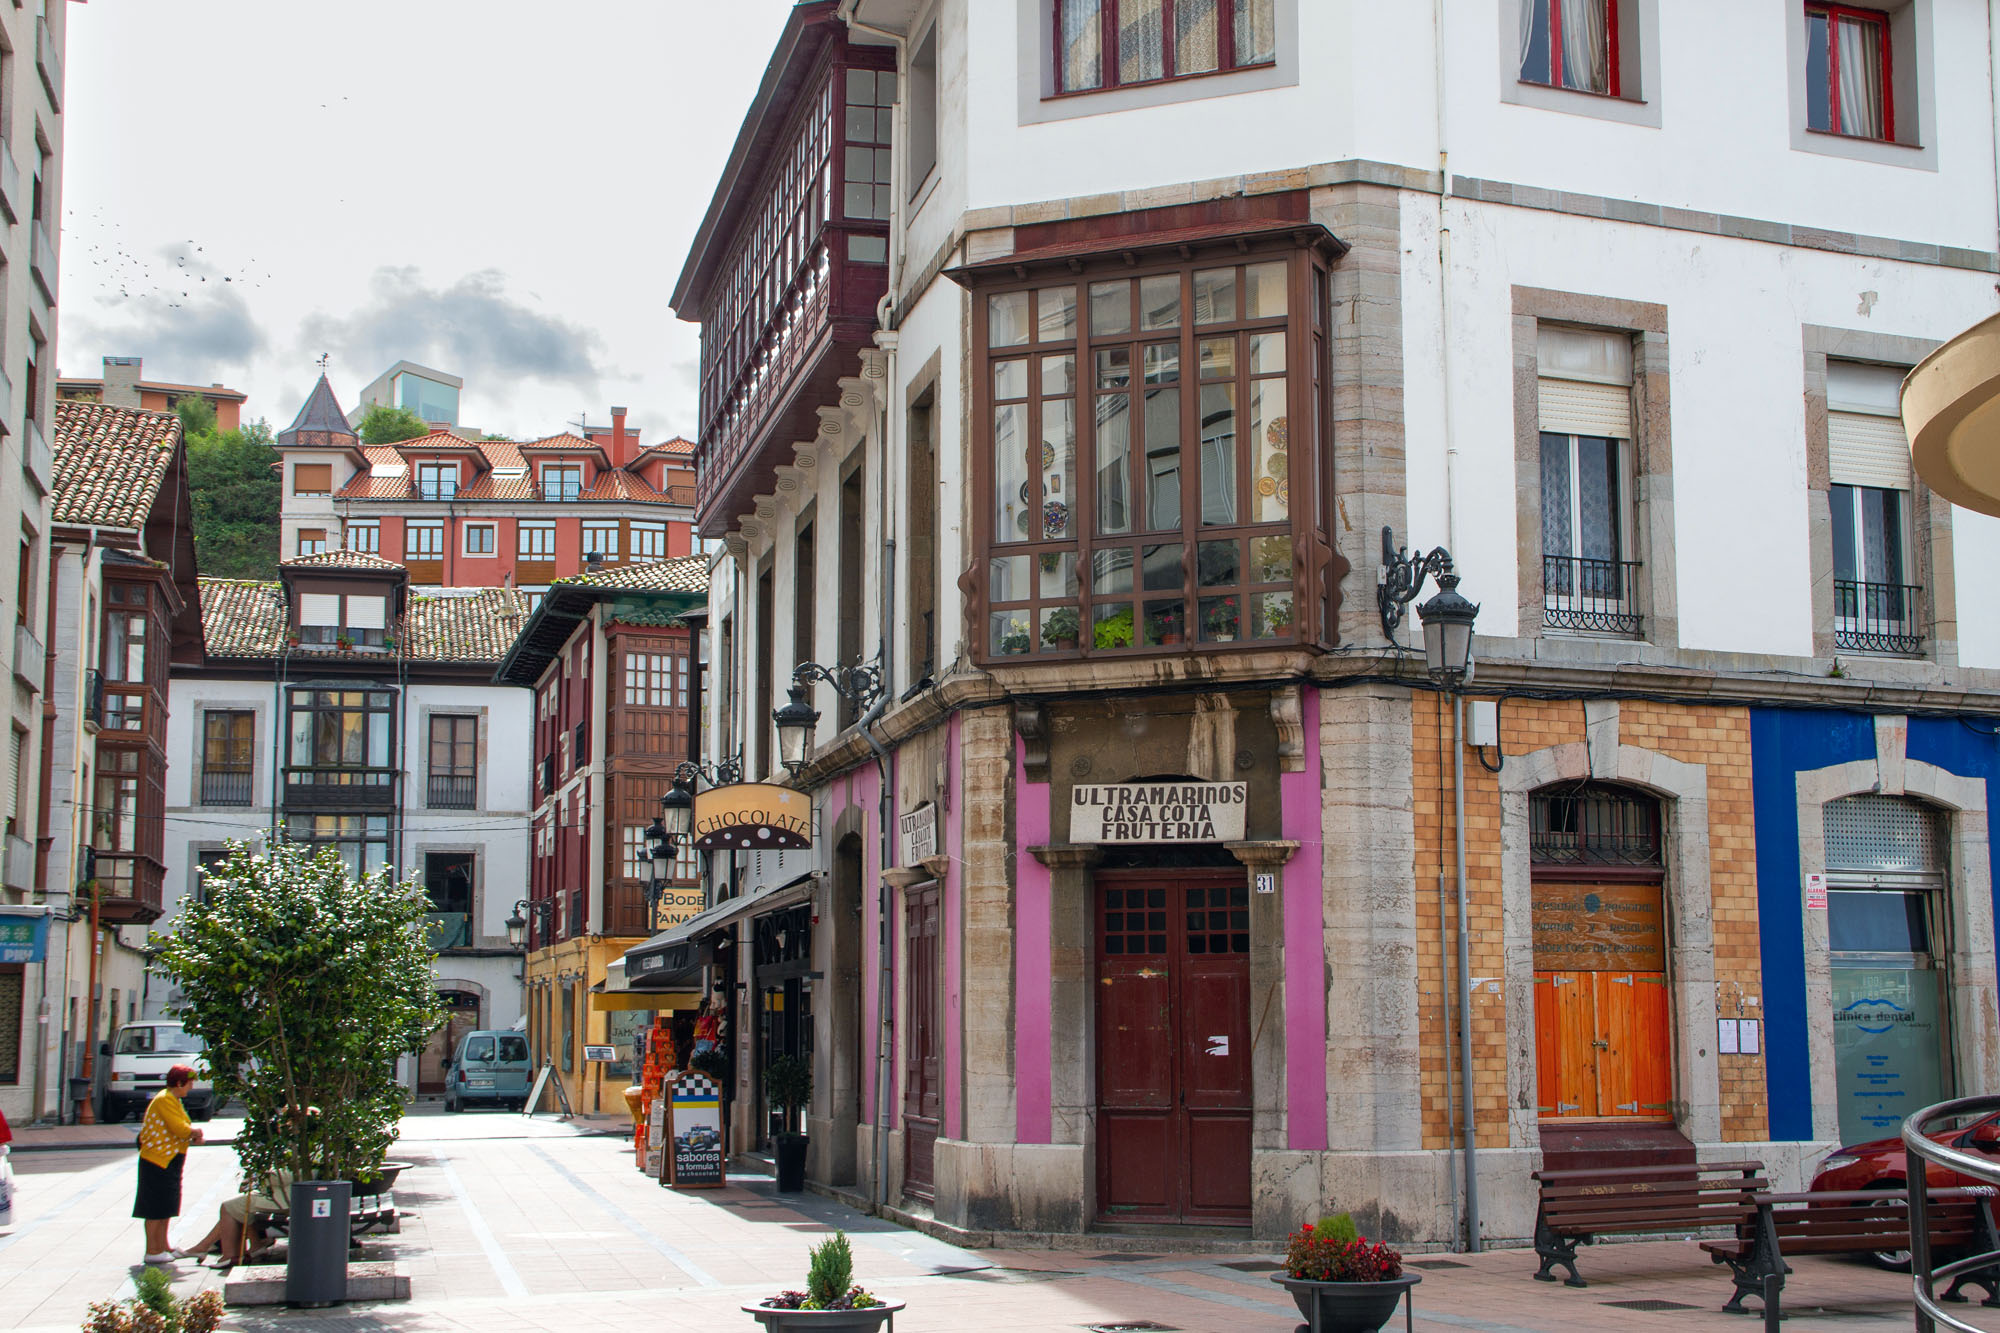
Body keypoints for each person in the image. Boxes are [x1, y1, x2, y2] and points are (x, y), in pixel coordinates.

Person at [134, 1064, 203, 1264]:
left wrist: (191, 1134)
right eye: (189, 1083)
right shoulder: (165, 1099)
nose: (191, 1087)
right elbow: (179, 1128)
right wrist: (194, 1133)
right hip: (157, 1160)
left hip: (169, 1159)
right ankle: (153, 1250)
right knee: (155, 1207)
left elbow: (180, 1129)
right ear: (179, 1083)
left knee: (165, 1206)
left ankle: (163, 1246)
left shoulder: (173, 1099)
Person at [175, 1168, 293, 1266]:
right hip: (283, 1194)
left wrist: (259, 1175)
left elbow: (285, 1176)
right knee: (240, 1203)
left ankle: (227, 1255)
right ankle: (255, 1245)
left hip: (284, 1197)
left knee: (229, 1206)